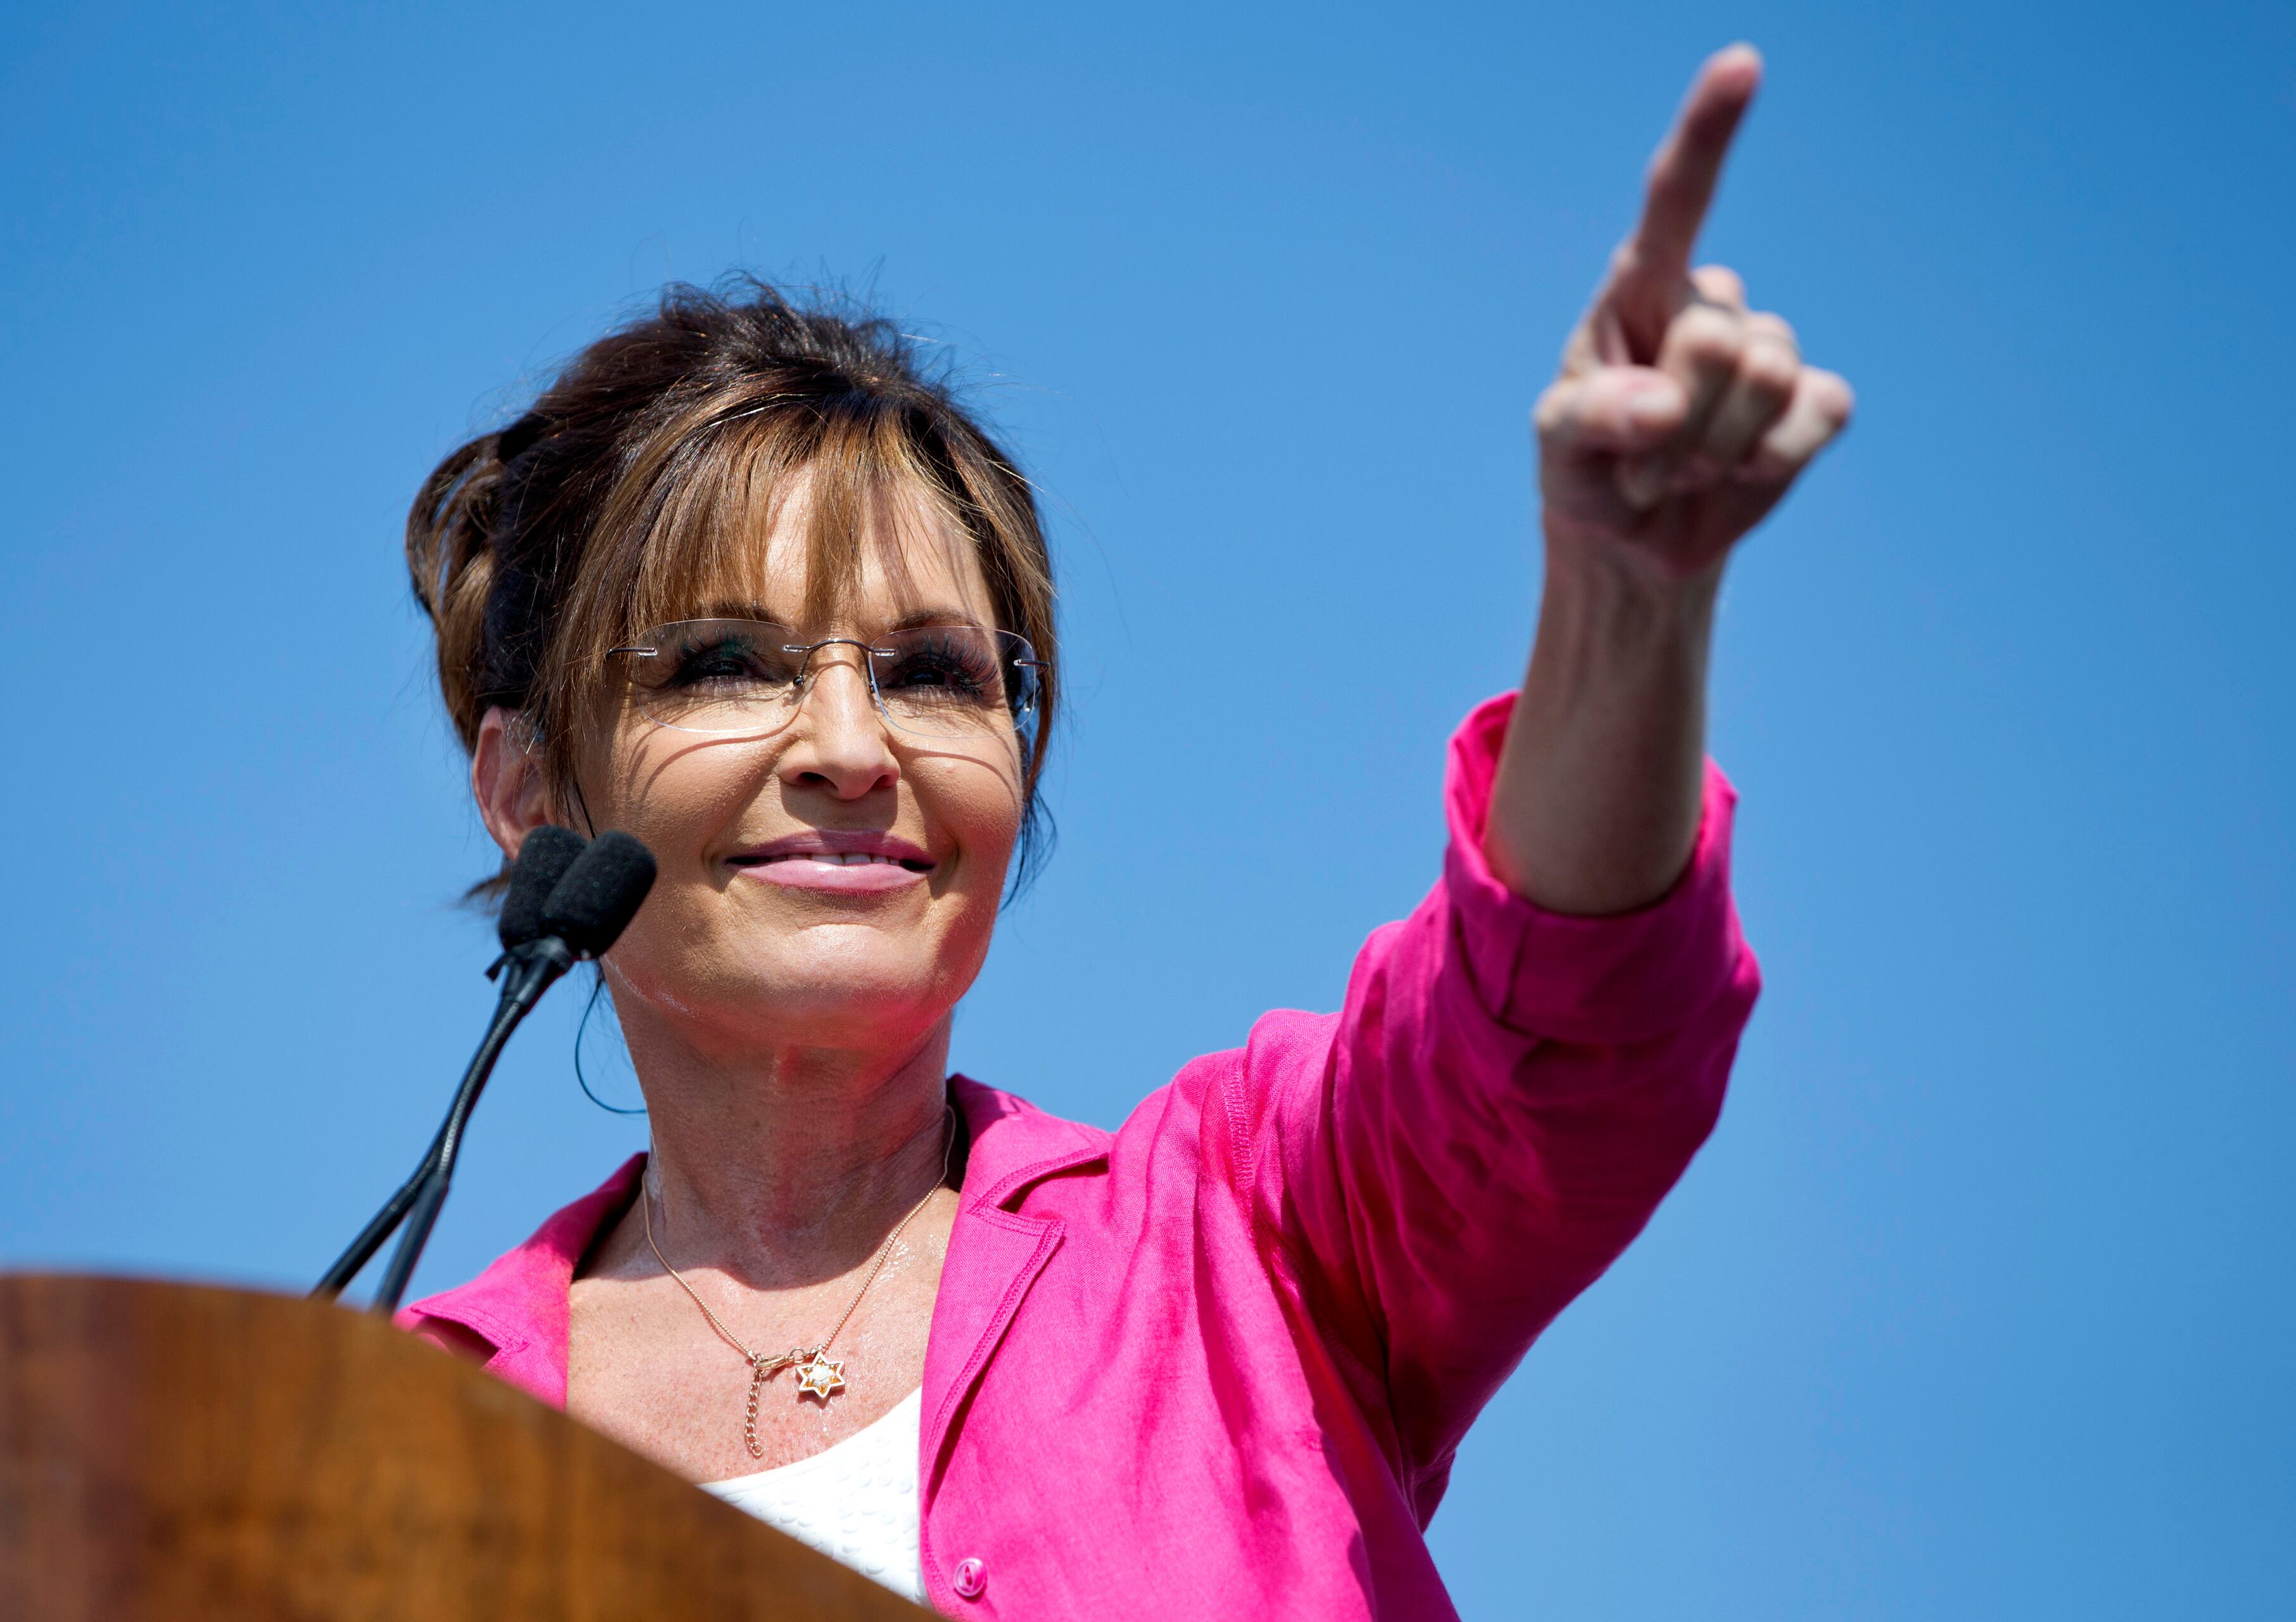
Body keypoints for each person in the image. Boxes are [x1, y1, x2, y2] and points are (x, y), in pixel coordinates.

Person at [395, 44, 1850, 1618]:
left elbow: (1552, 1037)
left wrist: (1626, 596)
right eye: (728, 661)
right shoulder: (378, 1437)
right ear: (529, 790)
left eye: (934, 673)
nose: (849, 747)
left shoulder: (1253, 1238)